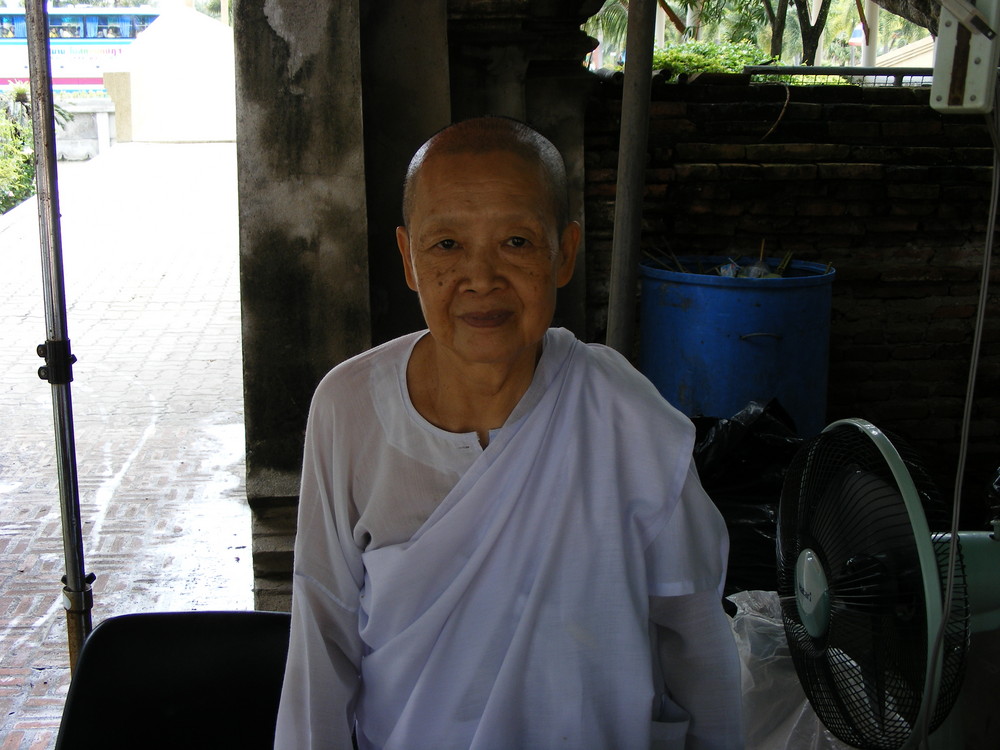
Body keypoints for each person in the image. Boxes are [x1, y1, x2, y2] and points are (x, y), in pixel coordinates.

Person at [274, 116, 743, 750]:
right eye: (446, 245)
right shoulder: (349, 408)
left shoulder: (624, 415)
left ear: (566, 253)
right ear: (408, 259)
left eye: (517, 242)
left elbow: (693, 631)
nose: (481, 278)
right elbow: (320, 633)